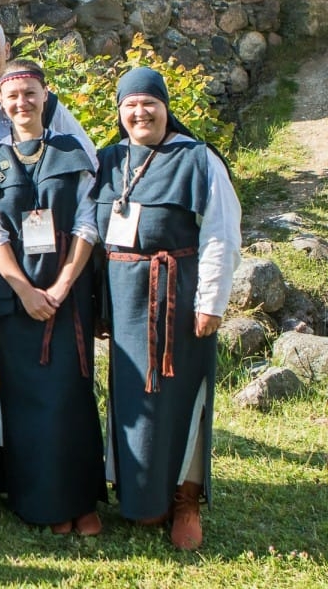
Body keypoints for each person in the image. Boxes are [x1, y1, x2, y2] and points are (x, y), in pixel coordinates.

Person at [94, 67, 241, 551]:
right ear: (120, 111)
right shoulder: (109, 159)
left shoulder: (197, 158)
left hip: (178, 296)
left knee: (182, 396)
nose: (140, 112)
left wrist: (212, 302)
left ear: (164, 106)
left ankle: (187, 497)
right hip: (125, 298)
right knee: (134, 399)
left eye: (149, 103)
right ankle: (142, 496)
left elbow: (221, 232)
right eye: (130, 104)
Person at [0, 18, 96, 480]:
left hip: (39, 252)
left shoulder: (43, 102)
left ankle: (25, 446)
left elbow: (86, 164)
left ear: (7, 50)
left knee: (24, 352)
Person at [0, 59, 105, 535]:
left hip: (67, 296)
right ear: (1, 104)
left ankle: (80, 498)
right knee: (25, 400)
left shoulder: (73, 151)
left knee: (71, 395)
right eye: (13, 96)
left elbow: (90, 222)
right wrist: (24, 290)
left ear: (45, 96)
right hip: (16, 300)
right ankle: (39, 500)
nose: (22, 102)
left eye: (30, 93)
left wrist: (63, 285)